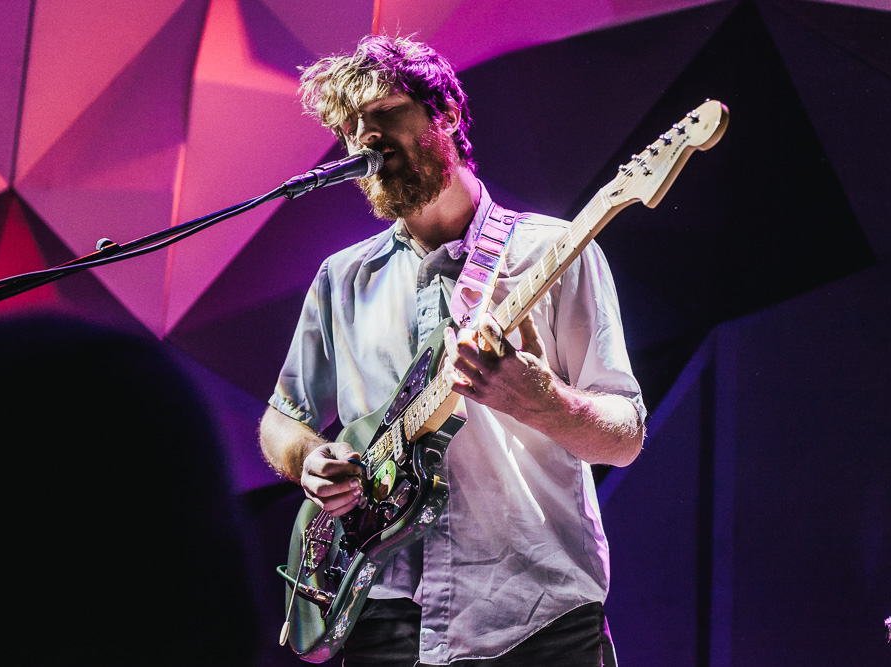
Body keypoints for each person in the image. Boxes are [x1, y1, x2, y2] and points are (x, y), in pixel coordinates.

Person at [259, 35, 645, 666]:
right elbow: (282, 417)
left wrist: (543, 402)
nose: (365, 140)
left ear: (445, 114)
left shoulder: (555, 252)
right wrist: (307, 458)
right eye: (352, 128)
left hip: (531, 614)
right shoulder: (341, 278)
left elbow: (624, 437)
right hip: (376, 612)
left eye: (383, 113)